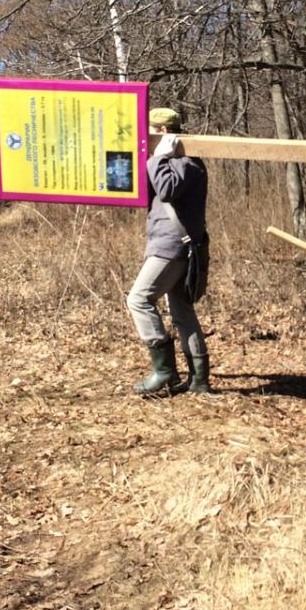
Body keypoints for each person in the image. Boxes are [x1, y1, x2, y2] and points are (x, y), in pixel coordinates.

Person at [126, 106, 211, 396]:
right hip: (172, 244)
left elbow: (166, 189)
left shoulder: (187, 162)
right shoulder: (169, 160)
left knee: (138, 299)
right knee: (182, 313)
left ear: (162, 132)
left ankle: (164, 371)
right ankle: (199, 381)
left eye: (149, 131)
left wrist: (159, 156)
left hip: (173, 246)